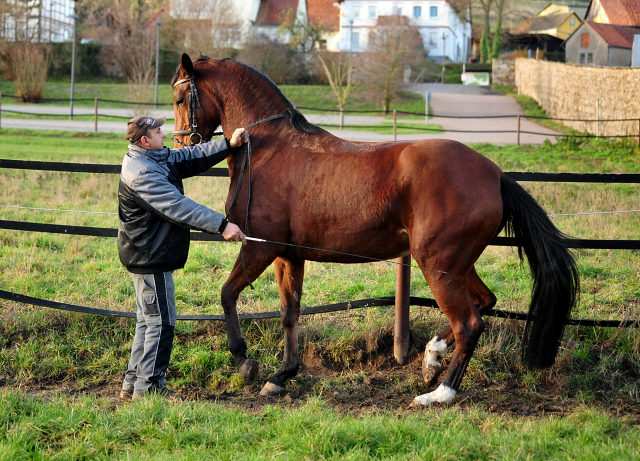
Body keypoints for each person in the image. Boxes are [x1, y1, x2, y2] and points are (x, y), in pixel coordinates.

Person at [118, 115, 246, 401]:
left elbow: (187, 157)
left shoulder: (150, 159)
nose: (163, 133)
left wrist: (227, 144)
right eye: (157, 131)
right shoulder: (143, 173)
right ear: (144, 140)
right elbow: (178, 206)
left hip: (147, 252)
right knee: (161, 321)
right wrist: (222, 225)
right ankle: (149, 388)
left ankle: (133, 383)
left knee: (147, 320)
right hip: (151, 256)